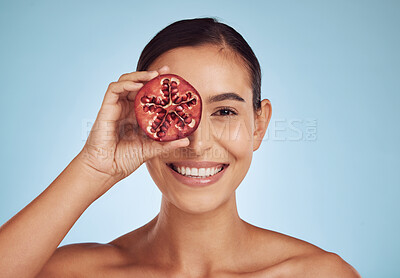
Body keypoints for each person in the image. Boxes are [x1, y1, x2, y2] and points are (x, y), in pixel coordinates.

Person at [0, 17, 360, 277]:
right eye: (170, 111)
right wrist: (93, 168)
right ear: (136, 119)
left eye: (224, 111)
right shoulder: (71, 272)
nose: (198, 143)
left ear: (259, 125)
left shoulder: (320, 273)